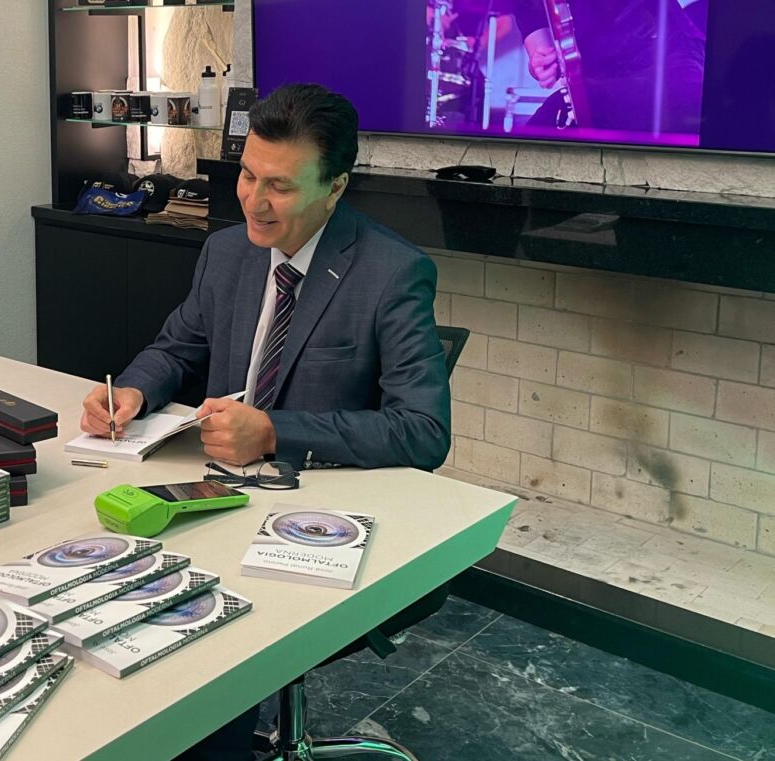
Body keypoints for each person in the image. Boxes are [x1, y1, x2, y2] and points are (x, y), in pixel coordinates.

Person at [80, 83, 450, 759]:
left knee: (203, 656)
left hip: (317, 515)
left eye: (279, 185)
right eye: (249, 175)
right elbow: (177, 348)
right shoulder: (228, 252)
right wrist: (132, 391)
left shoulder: (393, 272)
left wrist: (275, 430)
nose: (254, 200)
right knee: (118, 614)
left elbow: (424, 430)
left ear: (335, 187)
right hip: (214, 495)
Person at [513, 0, 705, 134]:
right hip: (599, 82)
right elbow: (539, 44)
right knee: (542, 130)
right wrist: (542, 64)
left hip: (667, 62)